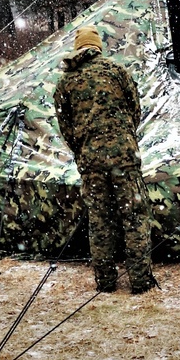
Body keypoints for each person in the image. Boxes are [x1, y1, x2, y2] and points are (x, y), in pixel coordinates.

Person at [53, 25, 157, 294]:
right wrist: (124, 137)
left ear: (78, 47)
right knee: (134, 216)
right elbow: (135, 110)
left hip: (90, 159)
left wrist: (84, 148)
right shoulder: (116, 71)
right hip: (123, 156)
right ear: (97, 46)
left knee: (100, 219)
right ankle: (140, 281)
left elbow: (65, 127)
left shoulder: (65, 82)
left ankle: (106, 282)